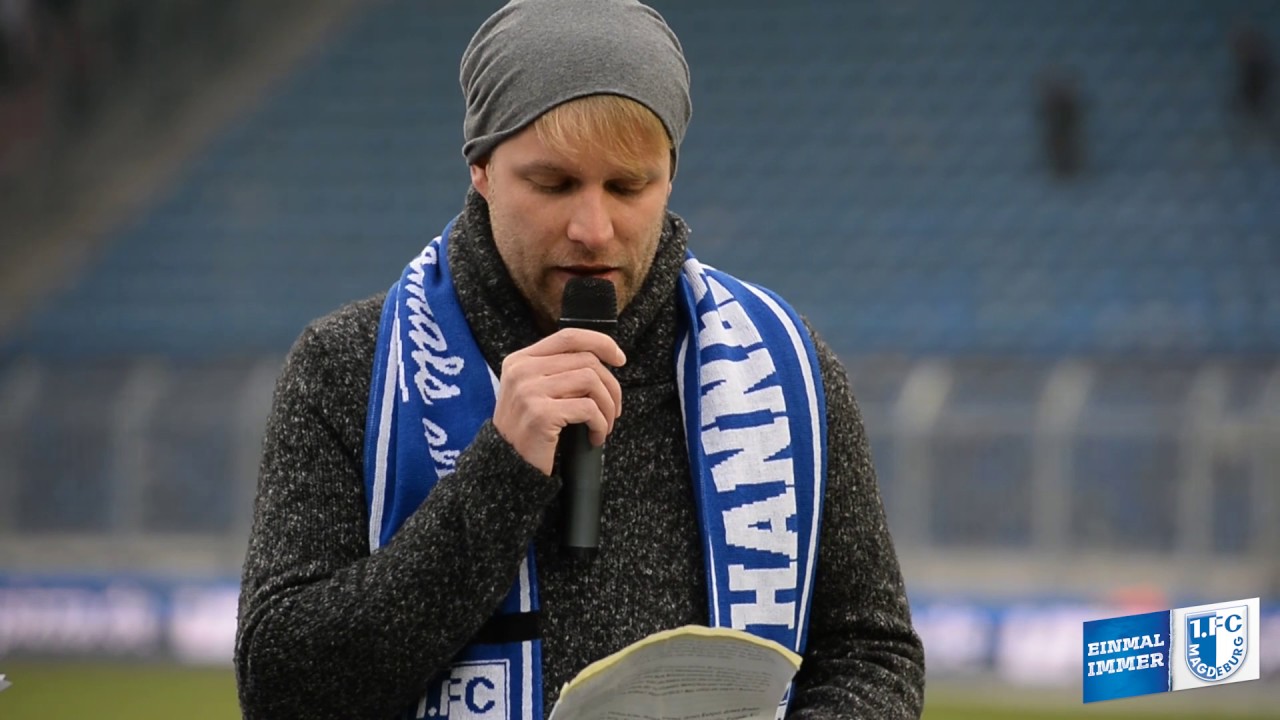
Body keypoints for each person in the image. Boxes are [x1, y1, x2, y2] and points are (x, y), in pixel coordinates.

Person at [234, 1, 925, 718]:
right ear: (481, 168)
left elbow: (870, 653)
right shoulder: (349, 367)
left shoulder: (781, 366)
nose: (593, 229)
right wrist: (499, 475)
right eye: (554, 184)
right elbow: (282, 688)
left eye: (629, 186)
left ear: (670, 175)